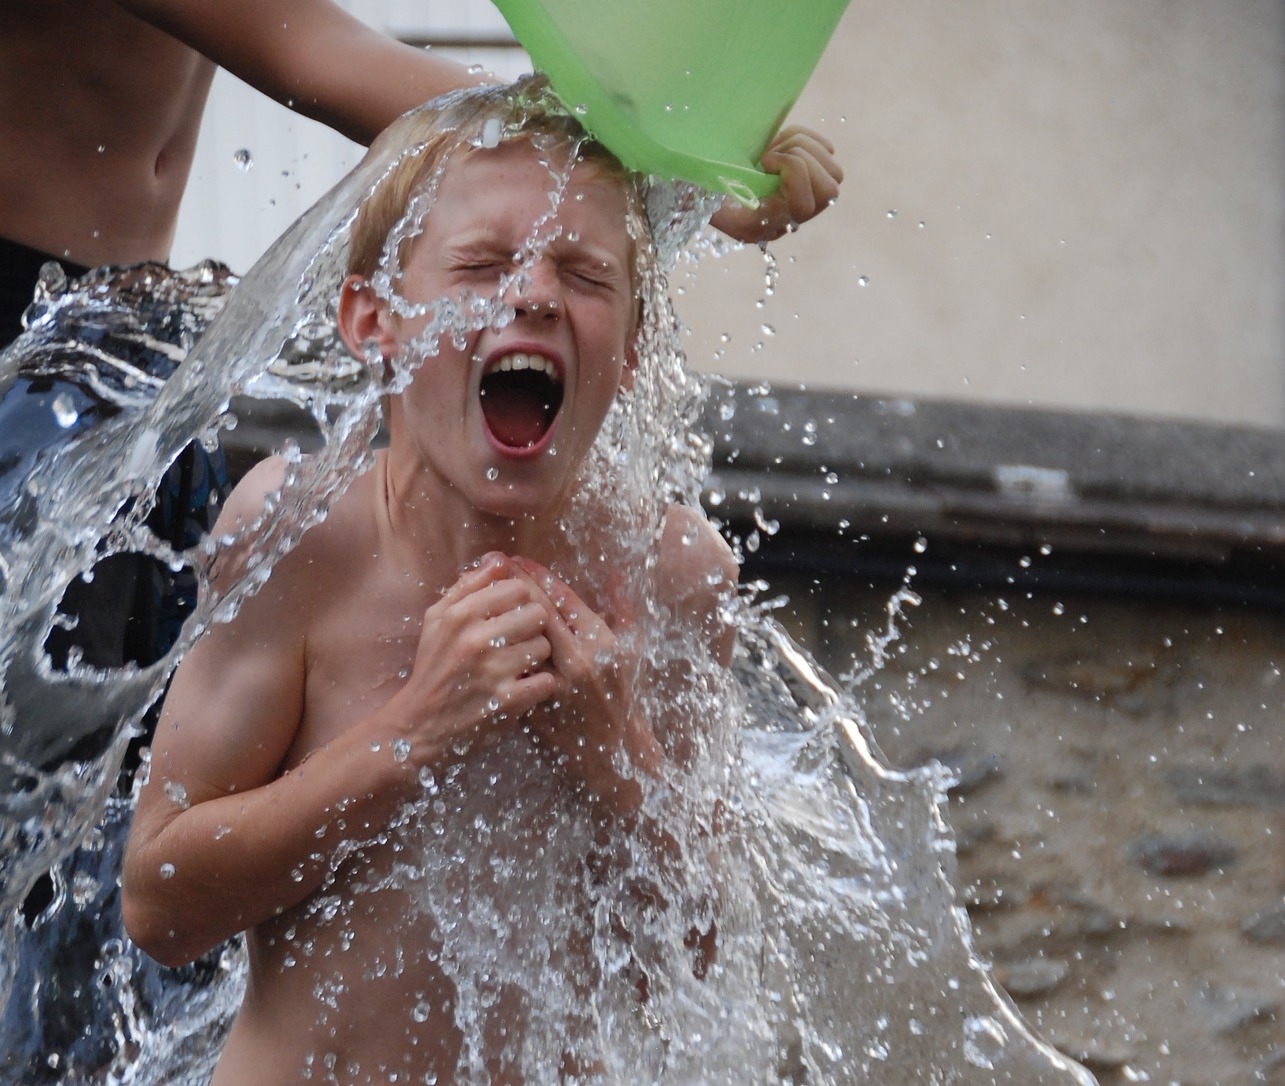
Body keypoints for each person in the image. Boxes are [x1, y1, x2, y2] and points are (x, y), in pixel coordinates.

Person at [121, 80, 746, 1082]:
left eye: (583, 273)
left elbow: (710, 952)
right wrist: (412, 733)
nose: (535, 292)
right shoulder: (301, 533)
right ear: (376, 321)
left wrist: (612, 750)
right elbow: (158, 905)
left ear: (630, 349)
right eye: (484, 262)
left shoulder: (668, 576)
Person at [0, 0, 842, 346]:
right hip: (19, 310)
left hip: (113, 320)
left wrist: (680, 128)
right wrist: (651, 154)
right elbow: (316, 55)